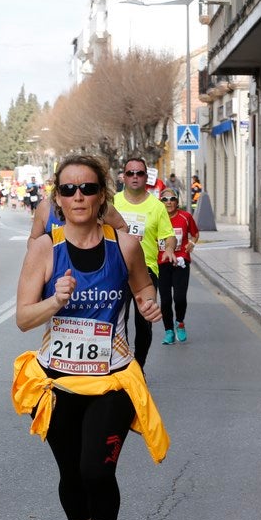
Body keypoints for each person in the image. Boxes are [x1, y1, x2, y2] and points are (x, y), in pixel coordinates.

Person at [11, 153, 169, 520]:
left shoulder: (125, 245)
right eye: (68, 189)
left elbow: (142, 286)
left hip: (112, 378)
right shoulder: (45, 249)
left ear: (102, 195)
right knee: (70, 474)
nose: (78, 196)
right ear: (57, 198)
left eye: (88, 188)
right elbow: (23, 318)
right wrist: (55, 301)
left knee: (96, 470)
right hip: (58, 383)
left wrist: (148, 303)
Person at [113, 157, 176, 369]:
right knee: (118, 322)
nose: (135, 177)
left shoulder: (157, 206)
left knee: (144, 323)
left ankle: (139, 367)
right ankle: (123, 367)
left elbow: (168, 235)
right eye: (130, 173)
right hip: (117, 269)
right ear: (123, 177)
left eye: (139, 173)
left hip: (145, 270)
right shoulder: (113, 202)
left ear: (146, 177)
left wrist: (169, 249)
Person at [157, 190, 199, 345]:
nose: (169, 202)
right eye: (165, 199)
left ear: (177, 201)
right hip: (162, 263)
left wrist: (192, 243)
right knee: (165, 300)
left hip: (181, 262)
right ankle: (168, 331)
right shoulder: (156, 217)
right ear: (160, 202)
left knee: (179, 298)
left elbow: (195, 233)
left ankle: (179, 322)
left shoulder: (185, 217)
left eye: (172, 198)